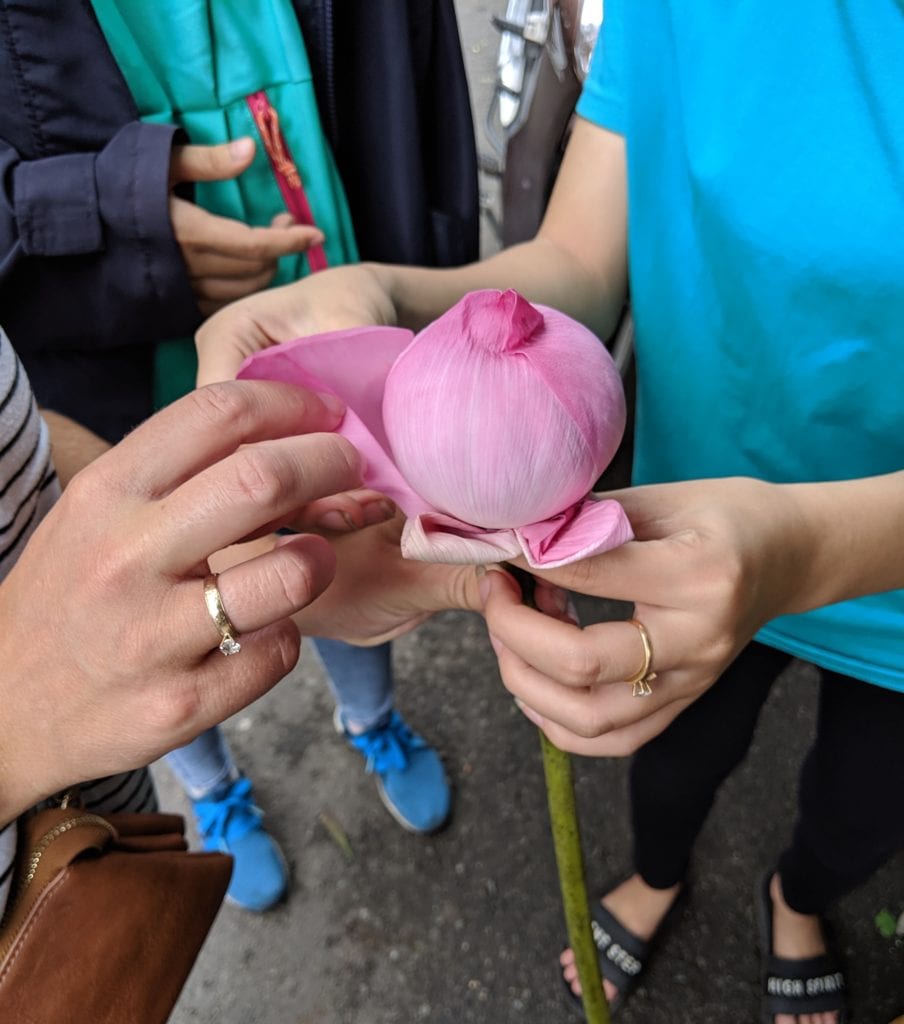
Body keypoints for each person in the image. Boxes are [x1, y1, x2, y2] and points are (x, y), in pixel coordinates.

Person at [195, 3, 904, 1020]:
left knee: (866, 805)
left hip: (882, 594)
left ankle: (798, 897)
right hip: (685, 531)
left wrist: (801, 553)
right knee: (672, 762)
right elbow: (573, 264)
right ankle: (656, 874)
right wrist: (392, 301)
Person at [0, 0, 475, 909]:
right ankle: (212, 788)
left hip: (325, 246)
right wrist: (102, 217)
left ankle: (372, 716)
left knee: (348, 533)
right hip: (96, 346)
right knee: (145, 601)